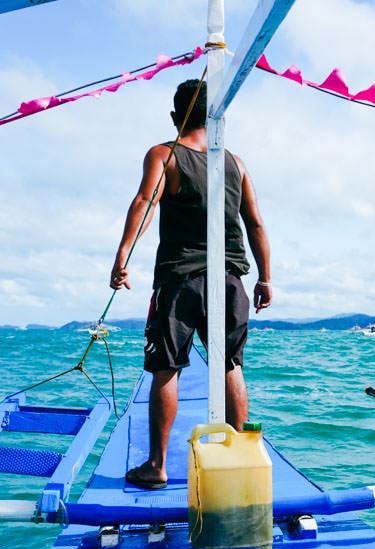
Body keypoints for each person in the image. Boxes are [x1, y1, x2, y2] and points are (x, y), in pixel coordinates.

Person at [109, 78, 272, 490]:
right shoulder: (236, 162)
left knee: (166, 368)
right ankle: (240, 461)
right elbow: (255, 222)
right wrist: (266, 276)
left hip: (180, 279)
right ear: (213, 116)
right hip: (231, 280)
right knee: (230, 364)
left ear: (175, 115)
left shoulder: (165, 154)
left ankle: (157, 466)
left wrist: (123, 254)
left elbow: (145, 202)